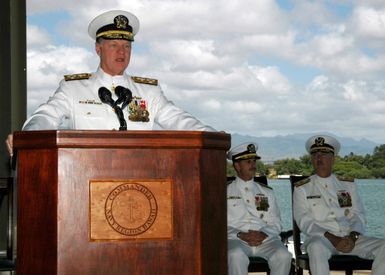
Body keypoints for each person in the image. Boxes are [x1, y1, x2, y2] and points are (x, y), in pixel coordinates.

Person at [5, 10, 215, 156]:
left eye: (126, 46)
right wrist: (27, 137)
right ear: (98, 49)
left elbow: (178, 119)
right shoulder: (74, 88)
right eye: (114, 45)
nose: (121, 52)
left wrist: (214, 137)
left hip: (141, 176)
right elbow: (46, 116)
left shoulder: (149, 91)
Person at [293, 134, 385, 275]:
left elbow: (358, 215)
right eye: (315, 154)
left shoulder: (348, 185)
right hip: (323, 239)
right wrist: (333, 238)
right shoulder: (302, 188)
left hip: (350, 239)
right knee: (315, 247)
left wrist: (353, 237)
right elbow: (304, 221)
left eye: (324, 154)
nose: (319, 157)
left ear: (333, 158)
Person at [227, 142, 292, 275]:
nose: (253, 165)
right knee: (235, 255)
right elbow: (216, 225)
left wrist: (263, 234)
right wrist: (240, 234)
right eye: (248, 161)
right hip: (236, 239)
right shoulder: (223, 191)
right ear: (237, 166)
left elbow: (276, 223)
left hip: (265, 239)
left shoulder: (267, 192)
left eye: (254, 161)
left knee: (283, 256)